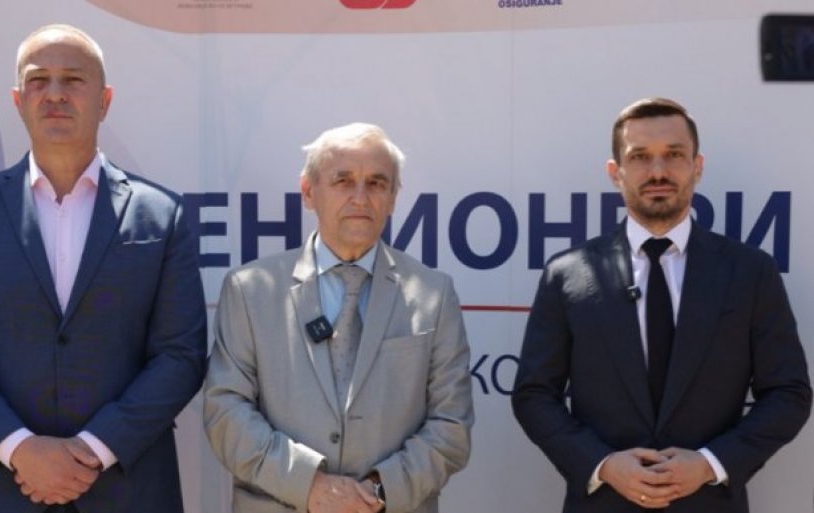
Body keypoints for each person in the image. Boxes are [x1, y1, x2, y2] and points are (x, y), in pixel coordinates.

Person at [0, 24, 207, 513]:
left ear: (105, 100)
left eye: (73, 79)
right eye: (38, 80)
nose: (54, 93)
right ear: (18, 101)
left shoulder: (162, 215)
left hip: (127, 490)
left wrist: (92, 451)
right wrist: (19, 449)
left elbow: (180, 356)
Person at [512, 97, 811, 512]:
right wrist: (602, 465)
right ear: (615, 172)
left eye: (673, 155)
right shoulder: (567, 274)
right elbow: (533, 394)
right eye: (640, 157)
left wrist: (710, 464)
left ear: (697, 166)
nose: (658, 172)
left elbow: (788, 393)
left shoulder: (750, 272)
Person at [204, 122, 474, 513]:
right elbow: (226, 412)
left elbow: (451, 425)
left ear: (393, 198)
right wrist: (310, 486)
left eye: (377, 183)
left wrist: (377, 493)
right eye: (343, 181)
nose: (360, 198)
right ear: (308, 192)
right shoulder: (249, 291)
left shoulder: (435, 295)